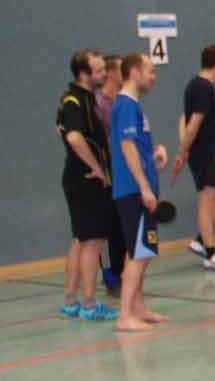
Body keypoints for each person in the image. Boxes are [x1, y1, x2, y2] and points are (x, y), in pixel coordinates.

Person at [56, 50, 119, 321]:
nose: (105, 73)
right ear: (84, 74)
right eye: (100, 70)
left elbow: (61, 129)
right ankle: (90, 304)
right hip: (86, 180)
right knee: (93, 242)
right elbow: (73, 137)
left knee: (80, 240)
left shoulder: (84, 99)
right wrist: (96, 167)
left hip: (80, 178)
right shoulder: (75, 100)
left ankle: (70, 300)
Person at [110, 53, 171, 331]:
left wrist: (154, 158)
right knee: (138, 253)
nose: (153, 77)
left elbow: (136, 150)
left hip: (140, 187)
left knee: (141, 250)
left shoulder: (133, 106)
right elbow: (127, 147)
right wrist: (144, 187)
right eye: (151, 71)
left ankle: (138, 307)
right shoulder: (125, 105)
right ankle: (125, 316)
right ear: (134, 72)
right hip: (133, 191)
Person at [171, 45, 215, 272]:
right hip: (204, 154)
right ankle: (210, 253)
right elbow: (192, 124)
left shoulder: (202, 86)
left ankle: (200, 240)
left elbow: (184, 119)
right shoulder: (202, 87)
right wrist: (182, 152)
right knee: (207, 199)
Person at [95, 54, 128, 296]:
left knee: (122, 227)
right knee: (107, 229)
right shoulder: (99, 104)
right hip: (106, 176)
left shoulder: (122, 102)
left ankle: (122, 273)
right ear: (110, 73)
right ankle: (109, 277)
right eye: (121, 68)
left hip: (123, 174)